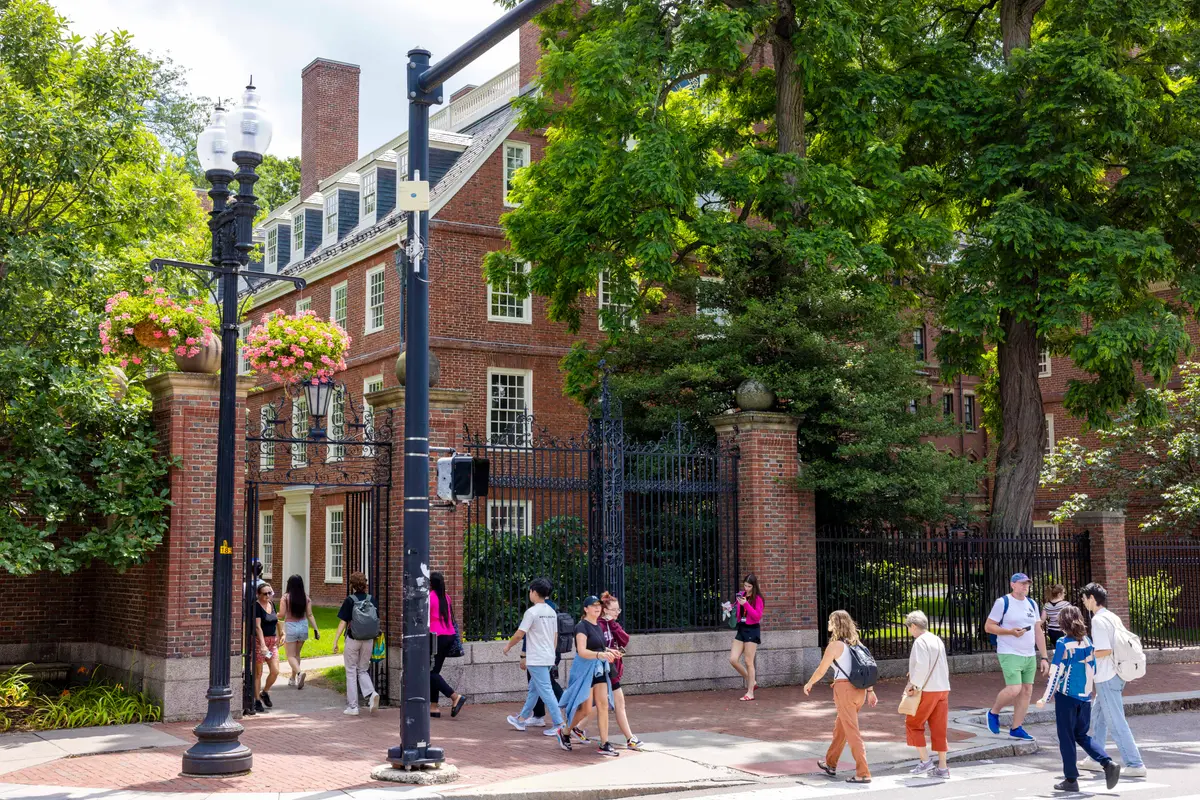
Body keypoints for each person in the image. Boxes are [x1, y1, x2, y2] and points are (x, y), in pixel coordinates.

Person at [1035, 606, 1121, 792]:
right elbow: (1093, 670)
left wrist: (1045, 697)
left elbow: (1056, 673)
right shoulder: (1087, 642)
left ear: (1063, 623)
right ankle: (1107, 763)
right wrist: (1089, 692)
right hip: (1085, 698)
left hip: (1066, 697)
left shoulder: (1063, 644)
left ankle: (1071, 780)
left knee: (1066, 738)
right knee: (1081, 735)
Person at [1079, 582, 1147, 777]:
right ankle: (1095, 757)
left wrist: (1085, 656)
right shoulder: (1112, 616)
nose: (1084, 603)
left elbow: (1104, 650)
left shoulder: (1098, 620)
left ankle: (1135, 763)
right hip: (1116, 674)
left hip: (1106, 675)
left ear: (1092, 598)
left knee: (1116, 721)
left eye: (1085, 599)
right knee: (1098, 717)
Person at [803, 610, 876, 783]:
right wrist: (871, 691)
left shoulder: (835, 645)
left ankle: (863, 773)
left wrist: (810, 683)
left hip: (844, 690)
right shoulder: (857, 643)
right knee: (841, 729)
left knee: (852, 732)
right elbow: (867, 668)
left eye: (830, 621)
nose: (828, 623)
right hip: (861, 690)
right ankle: (830, 763)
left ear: (836, 624)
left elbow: (822, 669)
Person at [502, 577, 573, 751]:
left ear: (534, 592)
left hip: (536, 658)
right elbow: (555, 636)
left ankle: (559, 724)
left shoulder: (532, 612)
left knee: (546, 691)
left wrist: (508, 646)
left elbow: (520, 634)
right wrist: (551, 653)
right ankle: (521, 719)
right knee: (534, 689)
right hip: (548, 657)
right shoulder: (551, 611)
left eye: (530, 591)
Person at [984, 572, 1049, 740]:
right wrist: (1010, 632)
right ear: (1012, 585)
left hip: (1028, 653)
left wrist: (1044, 657)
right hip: (1009, 651)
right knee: (1015, 688)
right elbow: (989, 627)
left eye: (1027, 583)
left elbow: (1038, 631)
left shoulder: (1032, 603)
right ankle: (993, 713)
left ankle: (1016, 727)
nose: (1025, 586)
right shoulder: (1003, 602)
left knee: (1027, 690)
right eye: (1021, 583)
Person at [560, 595, 621, 756]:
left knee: (603, 705)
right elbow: (582, 651)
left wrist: (609, 651)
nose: (597, 608)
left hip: (598, 669)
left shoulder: (597, 626)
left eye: (599, 605)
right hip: (585, 670)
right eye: (593, 606)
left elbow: (599, 647)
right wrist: (600, 655)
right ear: (586, 609)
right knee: (585, 709)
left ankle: (604, 743)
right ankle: (565, 731)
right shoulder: (581, 626)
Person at [902, 610, 951, 779]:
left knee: (913, 723)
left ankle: (925, 760)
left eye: (909, 627)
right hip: (943, 687)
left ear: (914, 626)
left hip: (927, 689)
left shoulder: (920, 642)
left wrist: (914, 686)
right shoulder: (936, 639)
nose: (909, 631)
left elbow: (922, 666)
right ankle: (943, 767)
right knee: (939, 728)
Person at [332, 571, 381, 716]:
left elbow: (343, 621)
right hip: (369, 639)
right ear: (365, 584)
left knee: (351, 671)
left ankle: (353, 706)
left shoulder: (350, 600)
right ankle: (371, 693)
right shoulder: (372, 599)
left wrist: (335, 640)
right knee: (363, 669)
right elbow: (376, 619)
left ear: (352, 585)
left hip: (353, 639)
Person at [600, 592, 644, 751]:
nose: (617, 613)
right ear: (604, 610)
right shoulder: (597, 624)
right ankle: (630, 738)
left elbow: (624, 639)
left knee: (600, 705)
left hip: (611, 669)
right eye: (614, 610)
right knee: (609, 704)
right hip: (601, 670)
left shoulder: (612, 624)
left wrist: (613, 624)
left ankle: (571, 730)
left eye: (618, 610)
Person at [429, 571, 467, 718]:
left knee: (429, 673)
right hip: (448, 636)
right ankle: (433, 707)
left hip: (436, 638)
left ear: (431, 584)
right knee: (435, 672)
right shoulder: (447, 597)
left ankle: (454, 697)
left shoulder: (430, 598)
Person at [729, 574, 764, 701]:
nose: (746, 588)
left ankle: (750, 693)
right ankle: (752, 682)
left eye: (749, 586)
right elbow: (737, 610)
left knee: (749, 662)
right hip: (741, 629)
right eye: (745, 585)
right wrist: (730, 608)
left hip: (752, 630)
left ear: (754, 586)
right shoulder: (741, 595)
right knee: (733, 659)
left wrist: (746, 605)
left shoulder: (758, 599)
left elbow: (757, 617)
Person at [280, 574, 319, 690]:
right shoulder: (306, 598)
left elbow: (281, 614)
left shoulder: (285, 598)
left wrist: (272, 615)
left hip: (290, 626)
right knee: (297, 654)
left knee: (290, 655)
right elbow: (310, 614)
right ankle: (293, 678)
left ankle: (299, 674)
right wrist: (316, 629)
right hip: (303, 626)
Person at [253, 582, 280, 713]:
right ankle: (257, 700)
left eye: (270, 593)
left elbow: (276, 620)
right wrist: (263, 645)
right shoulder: (257, 606)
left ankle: (265, 692)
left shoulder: (271, 604)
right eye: (265, 594)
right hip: (260, 642)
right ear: (258, 594)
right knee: (258, 673)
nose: (268, 596)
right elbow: (258, 627)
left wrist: (282, 633)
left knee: (275, 671)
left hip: (272, 643)